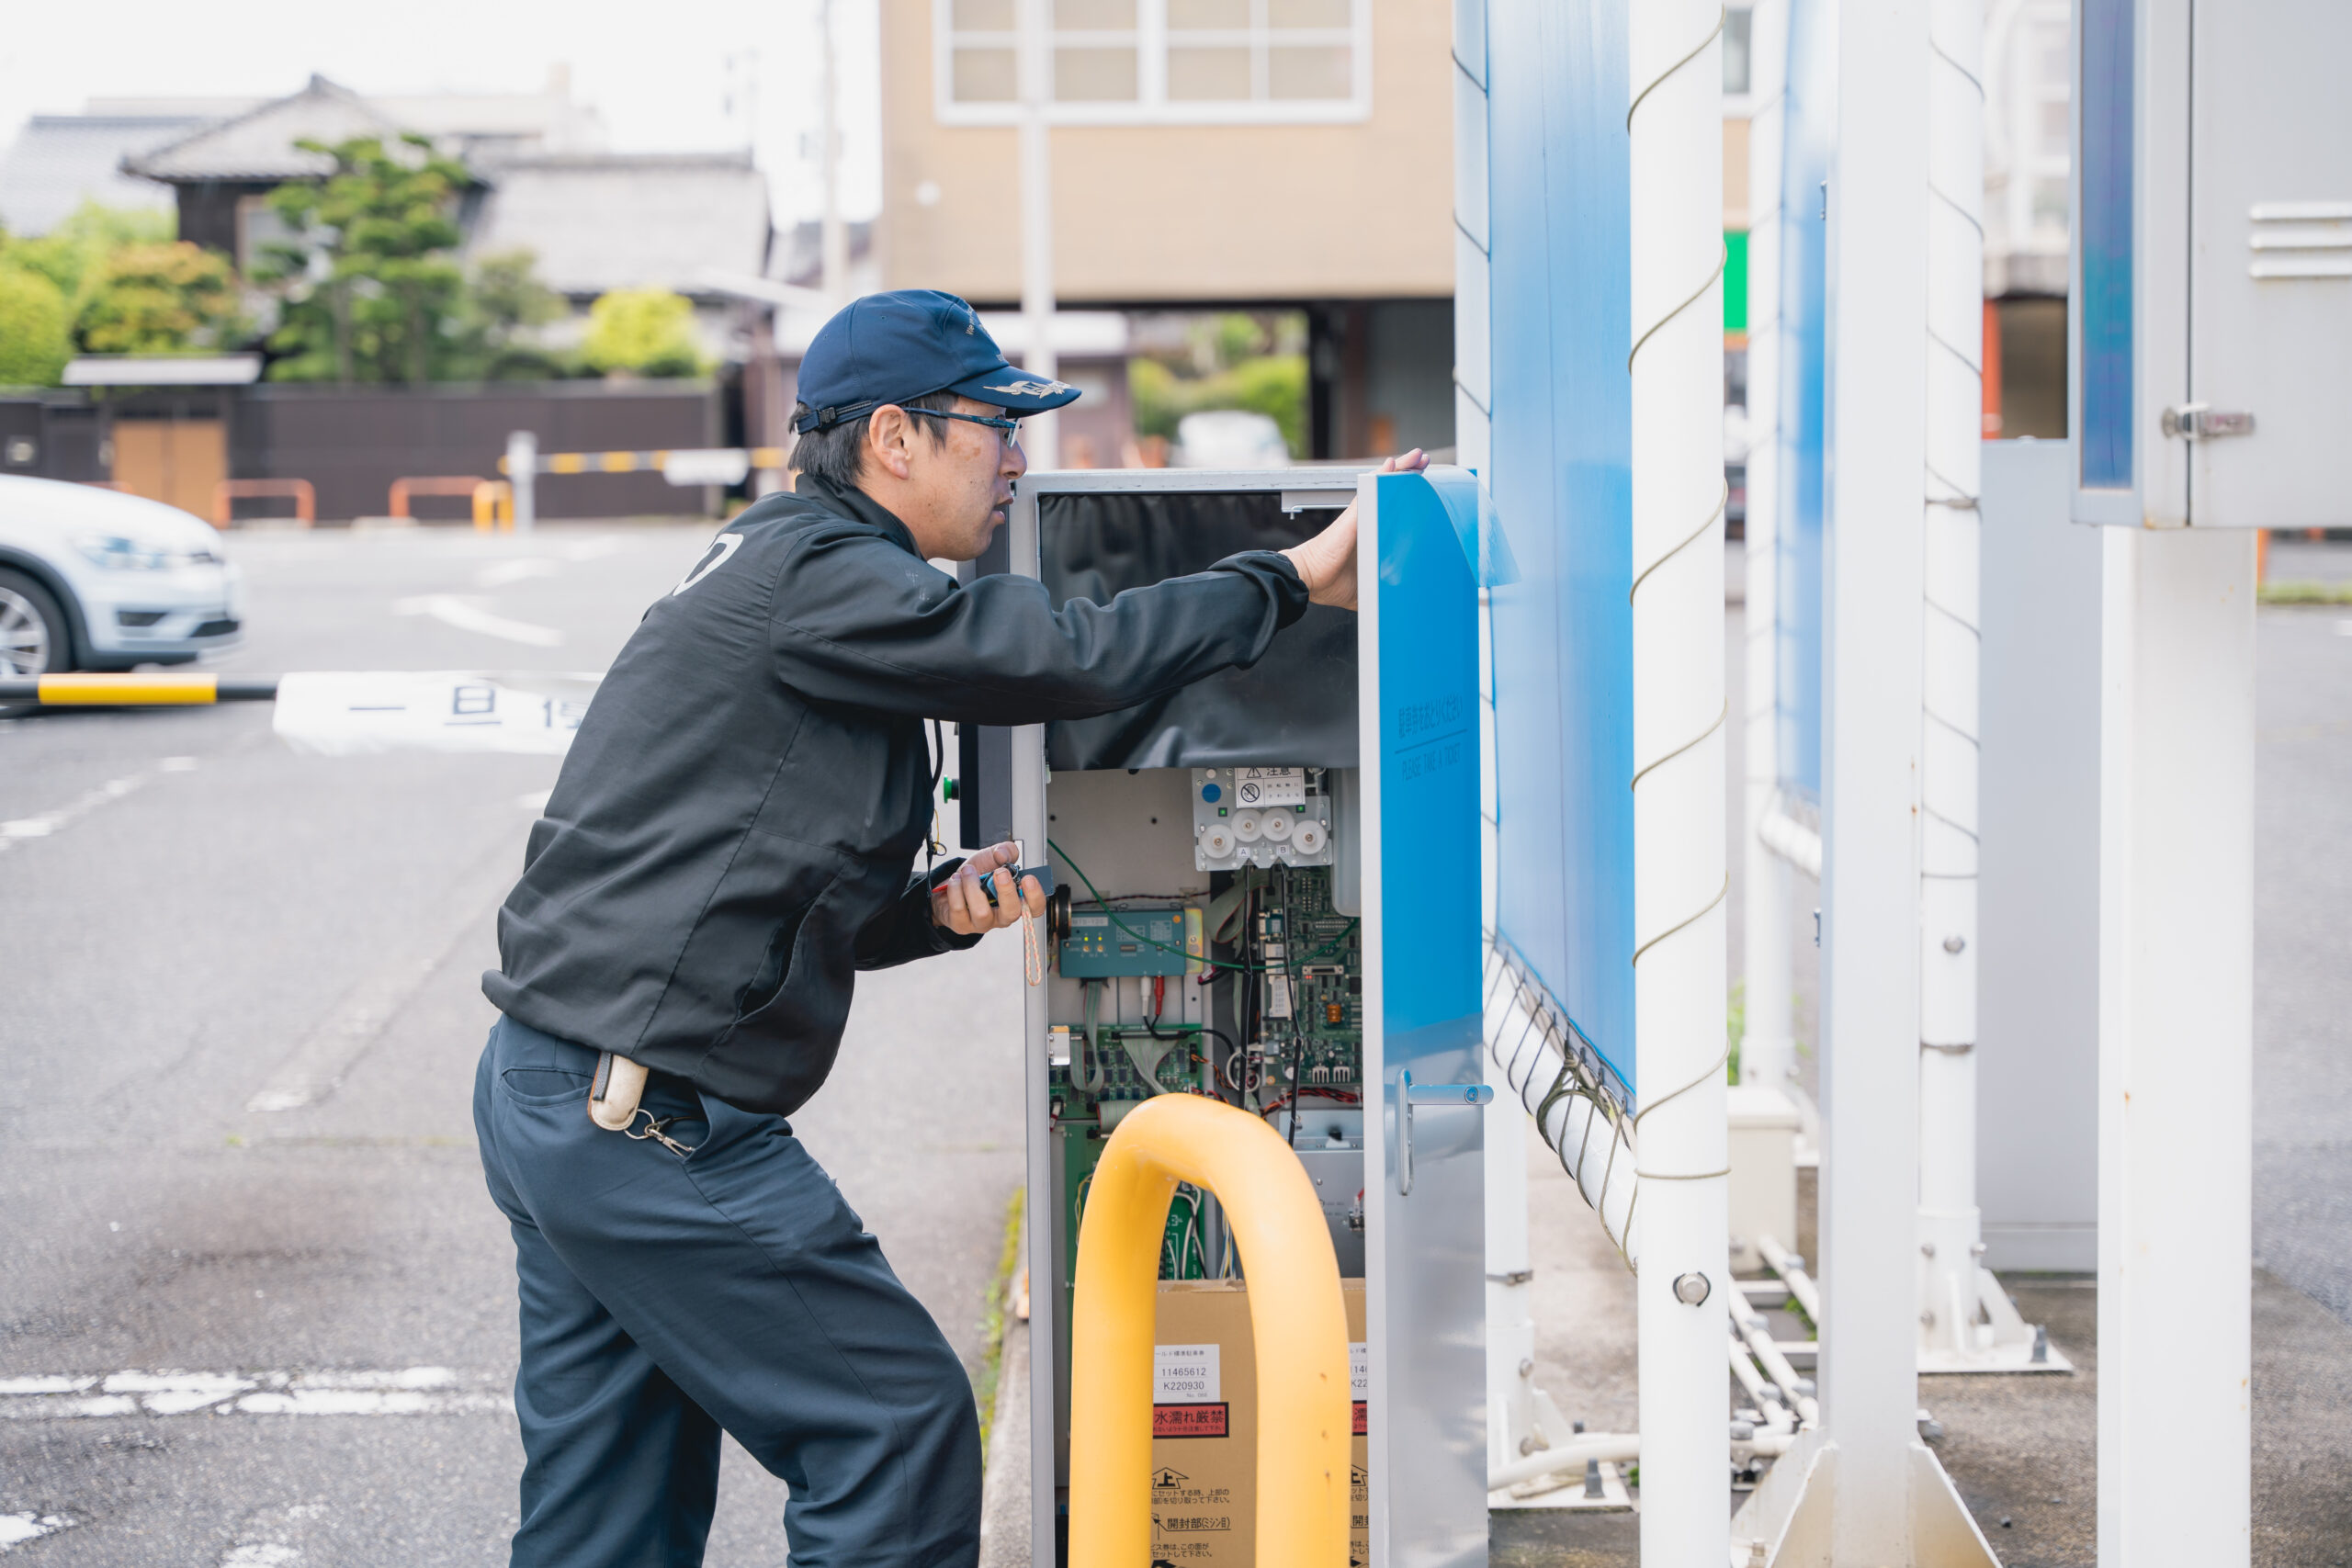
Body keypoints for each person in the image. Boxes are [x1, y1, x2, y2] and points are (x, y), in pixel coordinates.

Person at [471, 288, 1425, 1567]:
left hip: (562, 1088)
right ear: (894, 440)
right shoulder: (823, 574)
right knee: (892, 1426)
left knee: (613, 1506)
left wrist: (925, 909)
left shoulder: (793, 564)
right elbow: (1063, 651)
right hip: (644, 1114)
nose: (1019, 459)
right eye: (996, 426)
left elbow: (738, 873)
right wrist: (1295, 576)